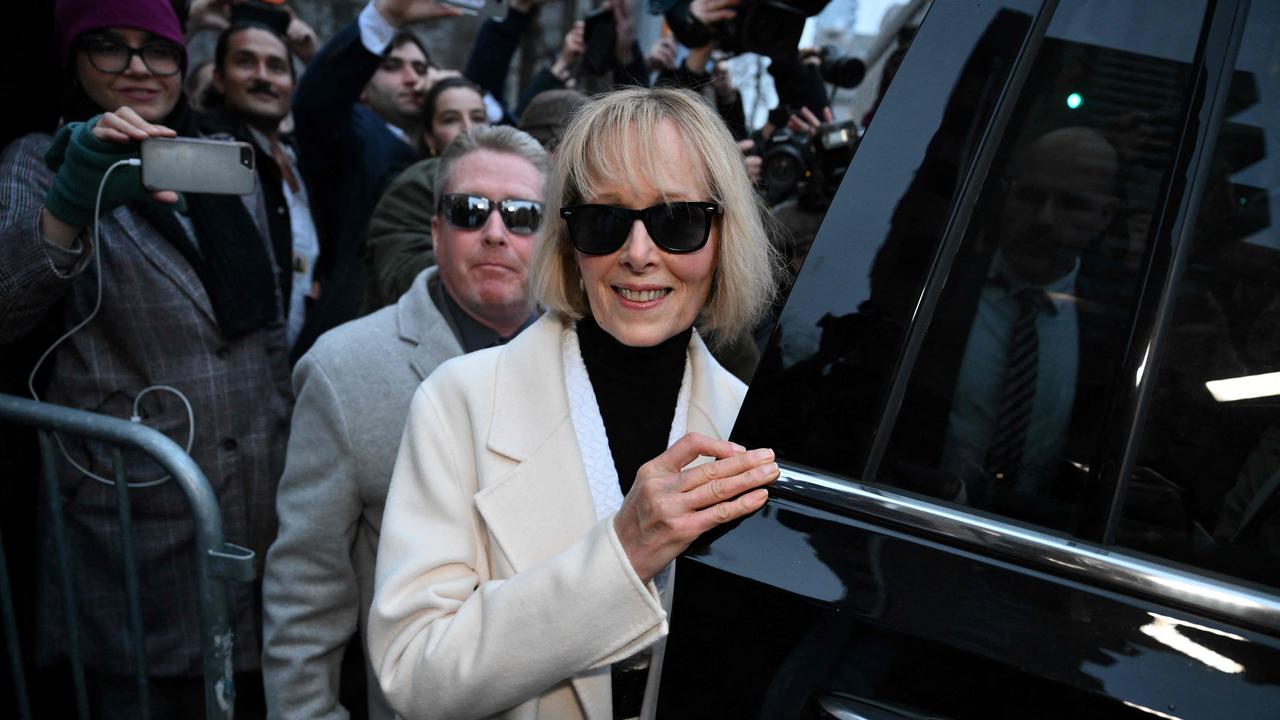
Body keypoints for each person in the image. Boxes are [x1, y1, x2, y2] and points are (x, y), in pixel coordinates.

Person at [367, 86, 781, 719]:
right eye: (605, 221)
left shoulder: (754, 429)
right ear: (569, 241)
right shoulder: (461, 402)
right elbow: (412, 673)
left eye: (678, 221)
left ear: (723, 238)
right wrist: (623, 552)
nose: (639, 255)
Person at [0, 0, 292, 714]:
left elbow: (267, 328)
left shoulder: (220, 154)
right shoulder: (43, 160)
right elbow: (6, 307)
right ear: (73, 57)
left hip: (258, 508)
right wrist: (73, 202)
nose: (136, 66)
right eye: (108, 46)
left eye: (156, 49)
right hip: (134, 523)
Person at [263, 125, 547, 720]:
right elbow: (305, 588)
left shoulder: (595, 358)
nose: (495, 233)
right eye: (470, 211)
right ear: (436, 229)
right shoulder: (345, 369)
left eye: (521, 215)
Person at [289, 0, 461, 359]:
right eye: (392, 66)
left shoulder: (439, 151)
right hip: (354, 336)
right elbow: (316, 102)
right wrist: (383, 20)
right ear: (363, 86)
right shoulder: (357, 133)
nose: (412, 78)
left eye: (420, 68)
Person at [207, 21, 322, 351]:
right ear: (219, 77)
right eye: (245, 62)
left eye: (276, 66)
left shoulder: (302, 160)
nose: (263, 77)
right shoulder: (208, 150)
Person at [363, 77, 490, 311]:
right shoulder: (413, 186)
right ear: (430, 137)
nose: (468, 128)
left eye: (478, 118)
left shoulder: (516, 182)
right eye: (451, 119)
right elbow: (400, 276)